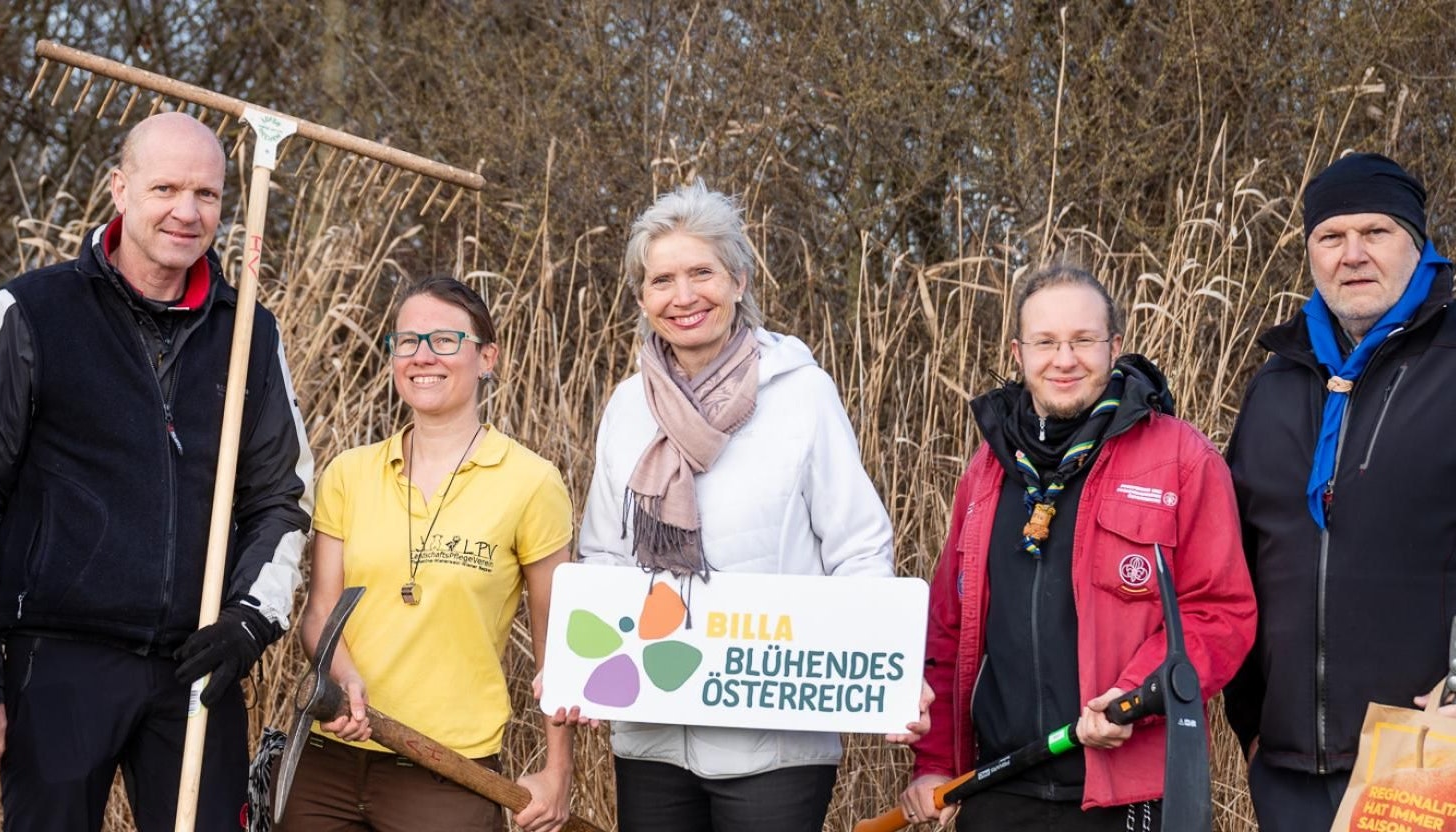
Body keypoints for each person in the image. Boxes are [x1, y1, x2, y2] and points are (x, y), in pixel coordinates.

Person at [0, 111, 313, 830]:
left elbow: (282, 496)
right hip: (58, 662)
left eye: (207, 194)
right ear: (119, 189)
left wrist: (250, 621)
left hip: (196, 666)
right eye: (165, 188)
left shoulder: (248, 331)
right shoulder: (31, 312)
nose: (187, 212)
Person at [573, 182, 924, 832]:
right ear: (642, 299)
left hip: (773, 737)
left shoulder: (802, 395)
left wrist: (885, 669)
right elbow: (604, 555)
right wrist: (583, 667)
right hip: (652, 731)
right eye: (661, 280)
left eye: (701, 273)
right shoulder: (627, 406)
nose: (683, 296)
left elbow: (857, 548)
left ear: (738, 280)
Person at [902, 264, 1257, 830]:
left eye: (1083, 340)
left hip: (1130, 789)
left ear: (1114, 346)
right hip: (996, 788)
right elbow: (949, 630)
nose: (1064, 359)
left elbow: (1219, 612)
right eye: (1045, 342)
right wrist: (935, 763)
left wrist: (1136, 695)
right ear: (1018, 353)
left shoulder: (1182, 459)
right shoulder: (986, 472)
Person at [284, 276, 574, 832]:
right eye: (407, 341)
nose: (422, 356)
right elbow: (320, 614)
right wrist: (344, 678)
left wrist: (557, 771)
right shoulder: (348, 473)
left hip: (449, 772)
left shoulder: (531, 483)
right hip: (328, 765)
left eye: (444, 340)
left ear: (487, 358)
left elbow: (558, 643)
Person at [1223, 152, 1456, 831]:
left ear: (1416, 242)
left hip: (1424, 754)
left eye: (1375, 232)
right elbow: (1238, 559)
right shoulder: (1275, 383)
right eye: (1330, 237)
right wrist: (1251, 722)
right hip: (1288, 765)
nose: (1351, 254)